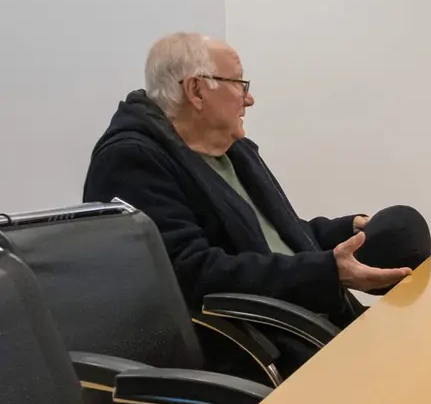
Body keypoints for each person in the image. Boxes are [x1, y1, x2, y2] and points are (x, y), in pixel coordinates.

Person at [83, 33, 411, 331]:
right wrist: (326, 271)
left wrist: (344, 232)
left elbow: (272, 238)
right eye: (240, 84)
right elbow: (191, 274)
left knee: (405, 230)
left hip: (307, 319)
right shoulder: (133, 160)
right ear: (196, 90)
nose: (248, 99)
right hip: (256, 343)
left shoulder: (233, 151)